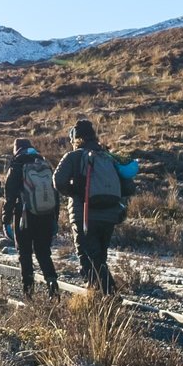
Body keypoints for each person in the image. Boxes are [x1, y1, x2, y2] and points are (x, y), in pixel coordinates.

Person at [54, 118, 131, 294]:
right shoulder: (108, 156)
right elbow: (129, 187)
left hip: (85, 214)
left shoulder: (74, 156)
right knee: (100, 257)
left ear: (76, 138)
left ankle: (108, 296)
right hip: (109, 216)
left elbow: (58, 181)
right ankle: (101, 297)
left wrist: (77, 192)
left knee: (87, 257)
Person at [1, 137, 60, 296]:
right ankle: (52, 283)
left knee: (25, 254)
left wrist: (5, 220)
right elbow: (54, 193)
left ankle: (28, 292)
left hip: (24, 216)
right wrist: (55, 217)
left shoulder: (17, 165)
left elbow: (10, 197)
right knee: (43, 252)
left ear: (16, 149)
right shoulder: (45, 163)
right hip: (46, 215)